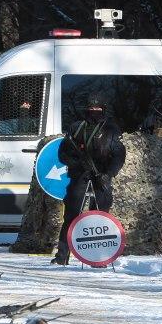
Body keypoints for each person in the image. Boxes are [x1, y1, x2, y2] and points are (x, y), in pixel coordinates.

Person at [52, 94, 126, 265]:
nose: (94, 111)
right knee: (71, 215)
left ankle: (98, 258)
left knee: (100, 217)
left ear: (103, 109)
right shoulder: (76, 128)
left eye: (97, 108)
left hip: (102, 176)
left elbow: (119, 155)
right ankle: (62, 256)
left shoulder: (111, 129)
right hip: (79, 175)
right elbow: (63, 154)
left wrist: (108, 174)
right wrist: (77, 163)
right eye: (91, 108)